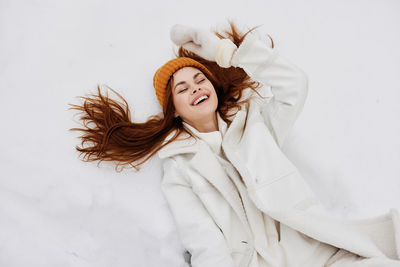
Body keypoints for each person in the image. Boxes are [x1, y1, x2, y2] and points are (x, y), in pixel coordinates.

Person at [70, 21, 400, 267]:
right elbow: (204, 242)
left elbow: (295, 84)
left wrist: (224, 53)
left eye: (200, 80)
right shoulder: (181, 170)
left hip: (323, 254)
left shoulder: (256, 125)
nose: (195, 88)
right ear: (173, 110)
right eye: (182, 89)